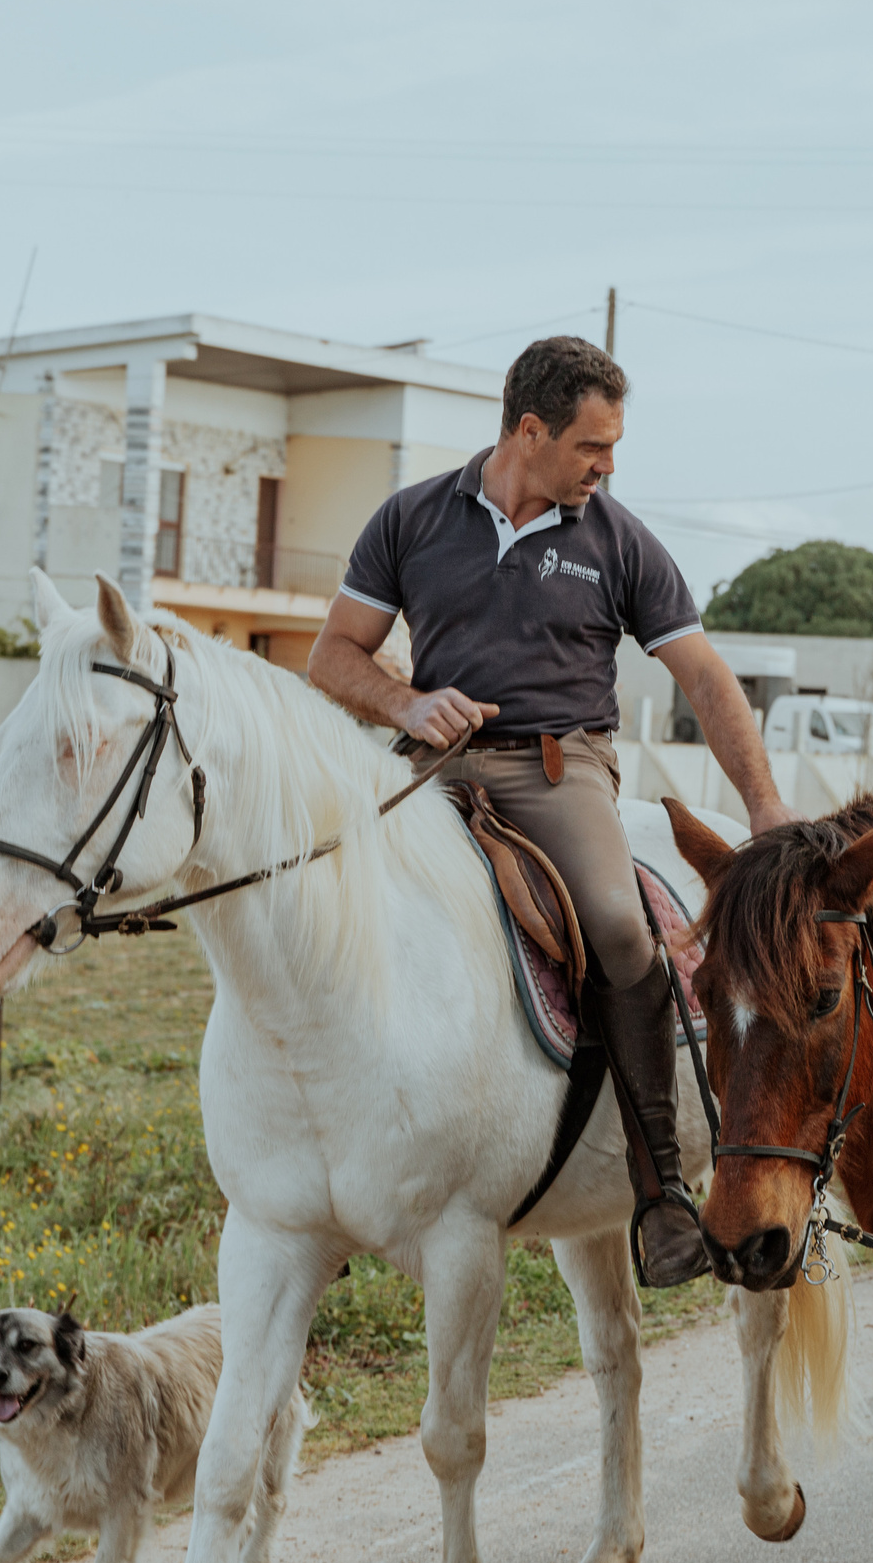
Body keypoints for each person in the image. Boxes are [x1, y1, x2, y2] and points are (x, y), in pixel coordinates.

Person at [309, 335, 800, 1285]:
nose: (608, 466)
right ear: (529, 430)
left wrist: (766, 804)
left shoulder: (617, 538)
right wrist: (408, 703)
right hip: (431, 764)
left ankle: (660, 1192)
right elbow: (334, 654)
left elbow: (703, 676)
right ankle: (333, 1166)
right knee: (320, 890)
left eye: (612, 448)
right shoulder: (411, 518)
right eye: (592, 446)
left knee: (621, 929)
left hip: (557, 766)